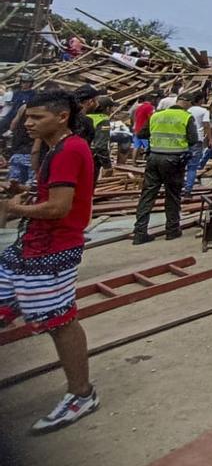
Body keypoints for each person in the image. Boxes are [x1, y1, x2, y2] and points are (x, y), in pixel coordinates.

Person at [0, 89, 97, 431]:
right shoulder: (59, 148)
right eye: (27, 116)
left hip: (52, 250)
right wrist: (27, 195)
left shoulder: (70, 150)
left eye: (35, 117)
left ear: (61, 117)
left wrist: (14, 208)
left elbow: (59, 207)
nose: (26, 123)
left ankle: (81, 394)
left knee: (59, 322)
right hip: (30, 247)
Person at [132, 94, 199, 243]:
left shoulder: (157, 115)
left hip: (154, 158)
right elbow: (193, 140)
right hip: (174, 160)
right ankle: (172, 229)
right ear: (186, 103)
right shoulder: (186, 117)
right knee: (173, 196)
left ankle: (140, 232)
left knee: (147, 195)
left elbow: (142, 133)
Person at [184, 91, 211, 195]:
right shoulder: (204, 111)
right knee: (192, 166)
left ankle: (180, 186)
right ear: (201, 100)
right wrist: (210, 139)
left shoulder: (186, 110)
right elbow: (206, 125)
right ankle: (188, 189)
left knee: (182, 165)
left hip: (184, 140)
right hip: (197, 140)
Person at [131, 93, 156, 161]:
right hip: (144, 130)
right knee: (148, 146)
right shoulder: (149, 107)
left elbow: (135, 117)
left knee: (136, 146)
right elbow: (151, 118)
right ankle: (146, 161)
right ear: (151, 100)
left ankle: (134, 161)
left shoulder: (139, 107)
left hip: (137, 128)